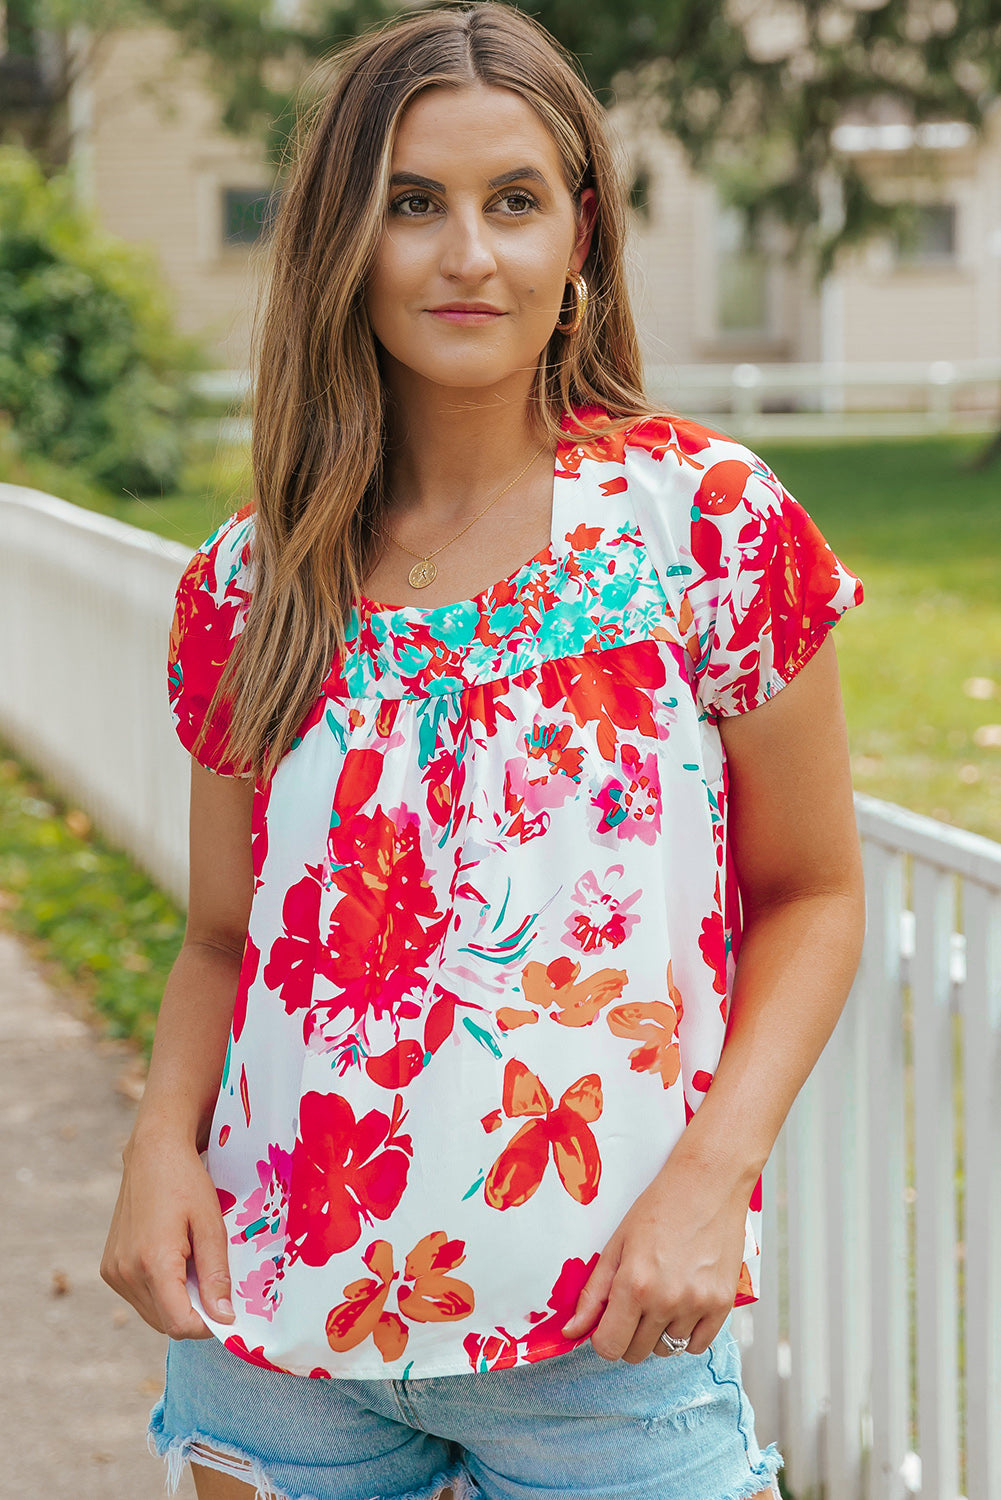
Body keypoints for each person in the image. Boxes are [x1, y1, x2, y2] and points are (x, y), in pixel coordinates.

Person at [101, 5, 866, 1499]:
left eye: (513, 202)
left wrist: (708, 1191)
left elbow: (814, 896)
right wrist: (155, 1154)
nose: (469, 255)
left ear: (579, 234)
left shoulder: (700, 522)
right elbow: (219, 936)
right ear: (341, 240)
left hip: (607, 1338)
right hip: (274, 1338)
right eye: (411, 204)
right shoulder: (247, 585)